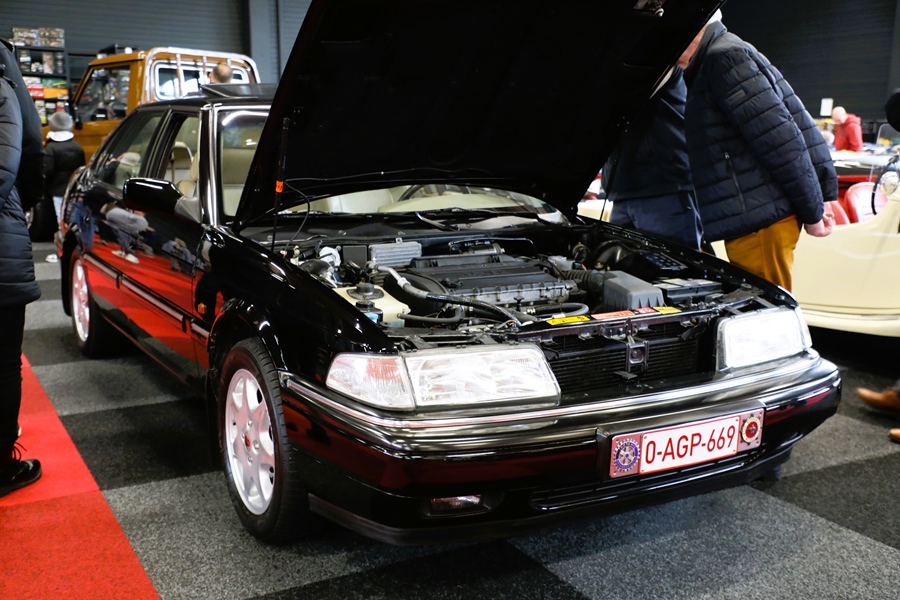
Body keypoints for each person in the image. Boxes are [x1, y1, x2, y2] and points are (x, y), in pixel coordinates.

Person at [678, 10, 836, 291]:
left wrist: (813, 211)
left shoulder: (723, 58)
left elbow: (781, 142)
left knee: (765, 308)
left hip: (761, 220)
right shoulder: (721, 56)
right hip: (757, 215)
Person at [0, 38, 43, 498]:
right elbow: (29, 146)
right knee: (2, 360)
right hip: (2, 240)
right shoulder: (3, 76)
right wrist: (26, 204)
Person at [602, 66, 702, 249]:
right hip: (622, 189)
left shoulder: (663, 64)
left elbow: (630, 94)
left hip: (662, 190)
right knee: (617, 264)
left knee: (672, 265)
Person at [43, 110, 85, 263]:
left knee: (60, 221)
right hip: (74, 190)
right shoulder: (77, 147)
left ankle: (61, 252)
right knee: (73, 221)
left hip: (58, 191)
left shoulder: (50, 148)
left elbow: (47, 171)